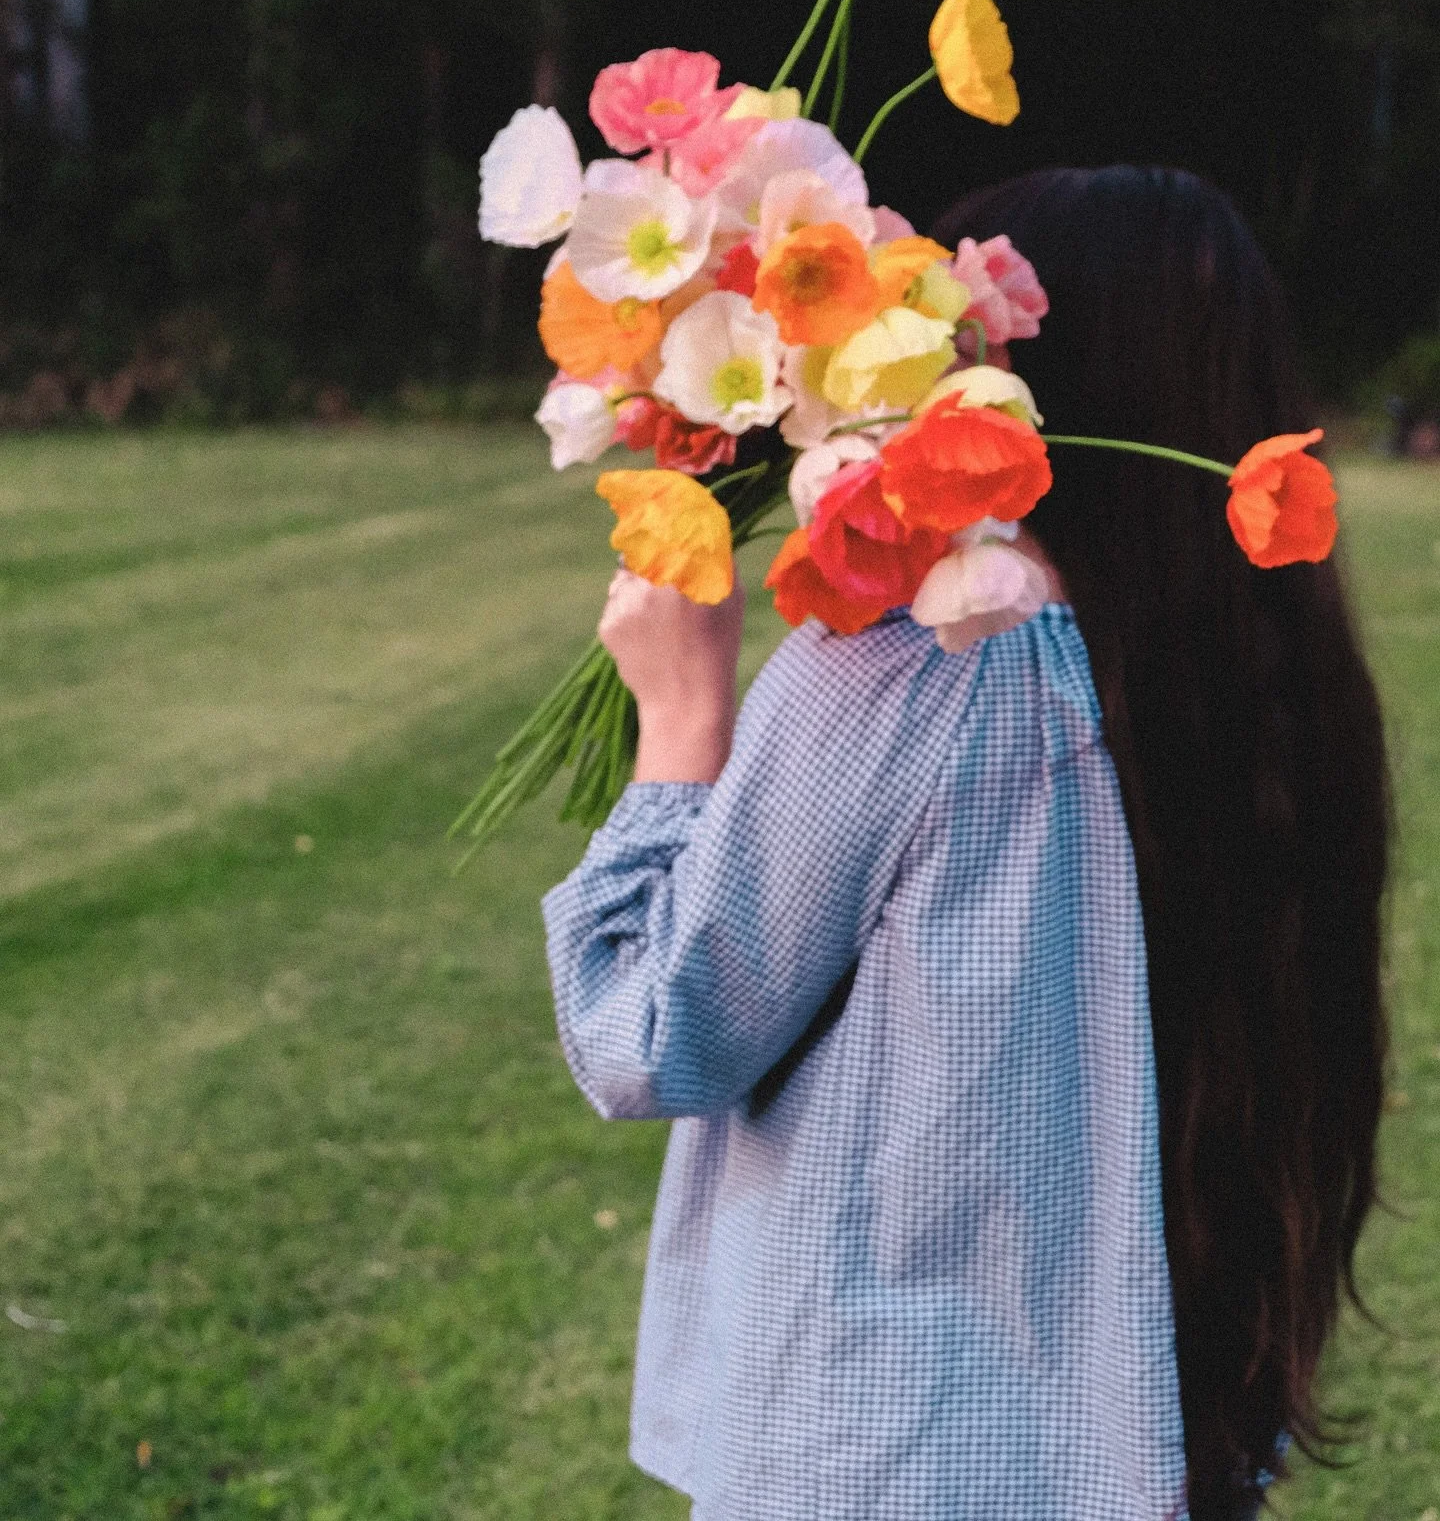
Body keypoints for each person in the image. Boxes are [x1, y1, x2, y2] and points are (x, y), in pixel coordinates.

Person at [541, 164, 1389, 1520]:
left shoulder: (920, 671)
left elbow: (648, 1031)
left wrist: (681, 716)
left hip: (885, 1462)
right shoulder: (1272, 695)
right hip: (1154, 1451)